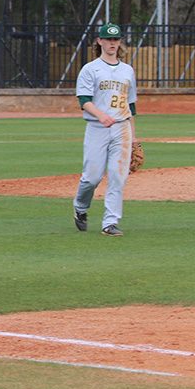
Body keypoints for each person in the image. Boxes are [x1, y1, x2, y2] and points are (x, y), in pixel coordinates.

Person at [73, 23, 137, 237]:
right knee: (91, 177)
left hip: (122, 128)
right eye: (108, 39)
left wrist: (134, 138)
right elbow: (83, 100)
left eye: (116, 39)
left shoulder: (128, 70)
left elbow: (132, 106)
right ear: (99, 41)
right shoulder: (90, 69)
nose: (112, 43)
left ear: (120, 42)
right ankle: (80, 207)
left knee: (118, 177)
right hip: (97, 128)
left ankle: (110, 222)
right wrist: (101, 115)